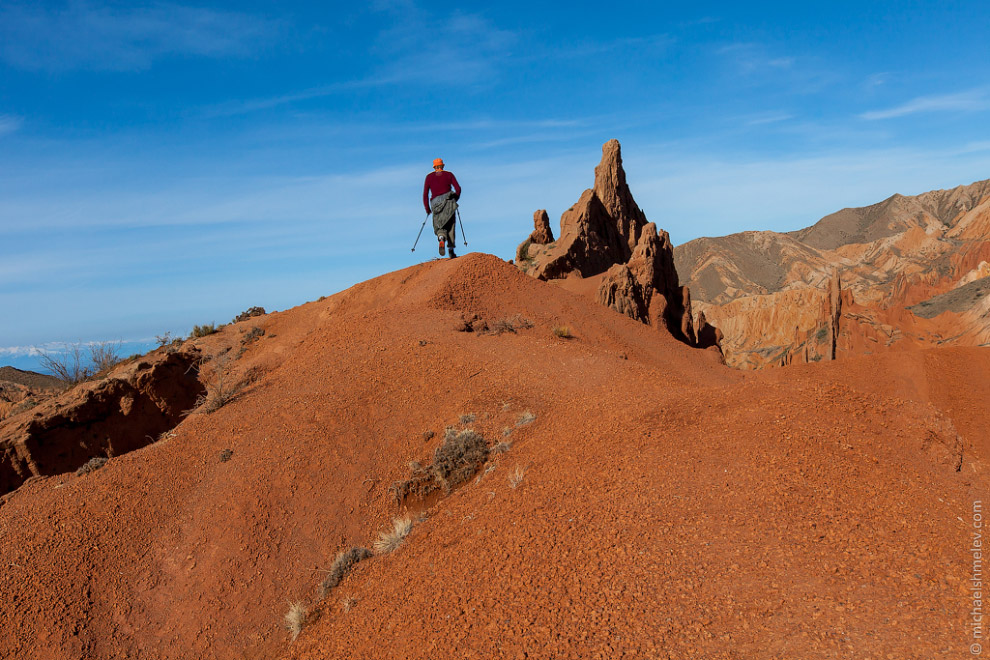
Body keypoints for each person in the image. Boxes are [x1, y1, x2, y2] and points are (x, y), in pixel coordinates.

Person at [423, 158, 461, 258]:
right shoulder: (449, 175)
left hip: (435, 203)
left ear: (434, 167)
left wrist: (427, 208)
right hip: (449, 202)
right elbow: (458, 189)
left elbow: (425, 194)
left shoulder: (429, 177)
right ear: (443, 166)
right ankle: (451, 250)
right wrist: (455, 199)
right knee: (451, 225)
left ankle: (441, 238)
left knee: (439, 224)